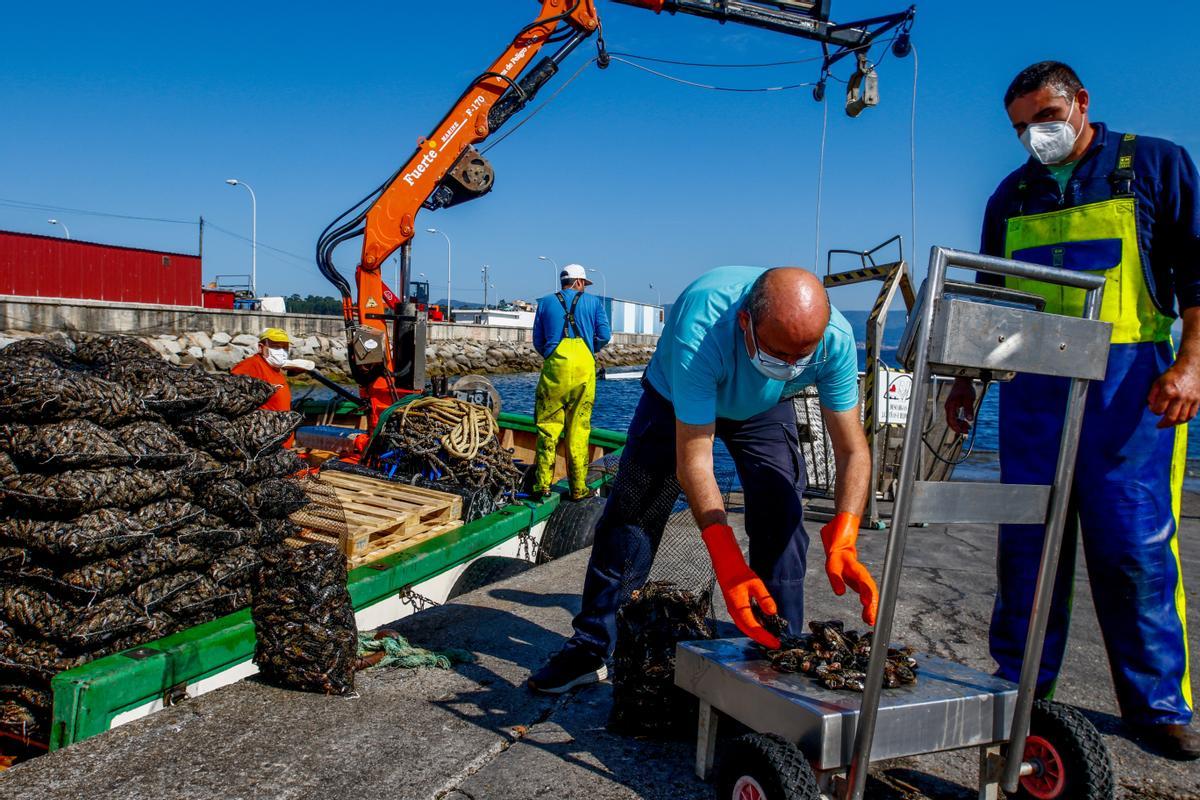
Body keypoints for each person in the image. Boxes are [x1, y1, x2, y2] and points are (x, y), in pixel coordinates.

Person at [946, 61, 1199, 760]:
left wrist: (1191, 365)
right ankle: (1020, 687)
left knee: (1134, 551)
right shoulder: (1009, 198)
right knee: (1027, 549)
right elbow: (994, 302)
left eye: (1047, 116)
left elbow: (1196, 274)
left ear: (1081, 102)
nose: (1036, 134)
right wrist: (967, 380)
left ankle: (1157, 707)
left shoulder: (1154, 165)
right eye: (1022, 126)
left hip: (1130, 398)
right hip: (1034, 398)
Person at [529, 266, 877, 694]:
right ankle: (593, 644)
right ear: (746, 322)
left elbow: (852, 449)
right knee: (634, 513)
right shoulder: (702, 326)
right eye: (778, 353)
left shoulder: (834, 341)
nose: (789, 366)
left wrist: (845, 531)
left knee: (783, 514)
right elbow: (694, 460)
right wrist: (727, 560)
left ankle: (777, 646)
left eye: (799, 357)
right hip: (675, 395)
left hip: (763, 408)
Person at [531, 264, 612, 501]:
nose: (584, 289)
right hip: (584, 367)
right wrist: (590, 349)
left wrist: (550, 353)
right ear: (578, 282)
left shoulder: (545, 302)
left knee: (548, 426)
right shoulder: (594, 303)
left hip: (555, 366)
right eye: (584, 284)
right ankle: (578, 488)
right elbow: (605, 335)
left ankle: (542, 486)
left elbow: (538, 339)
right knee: (579, 429)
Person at [232, 328, 294, 413]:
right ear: (261, 347)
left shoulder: (275, 368)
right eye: (276, 346)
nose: (281, 351)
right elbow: (230, 391)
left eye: (285, 347)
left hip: (282, 422)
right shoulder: (251, 364)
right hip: (263, 423)